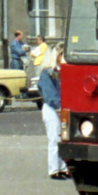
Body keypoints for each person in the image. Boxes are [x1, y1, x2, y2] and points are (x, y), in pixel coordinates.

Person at [39, 42, 68, 180]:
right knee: (54, 138)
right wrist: (58, 107)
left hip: (60, 107)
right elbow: (49, 94)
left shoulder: (62, 71)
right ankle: (54, 169)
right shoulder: (48, 73)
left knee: (63, 138)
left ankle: (63, 168)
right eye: (61, 54)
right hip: (52, 108)